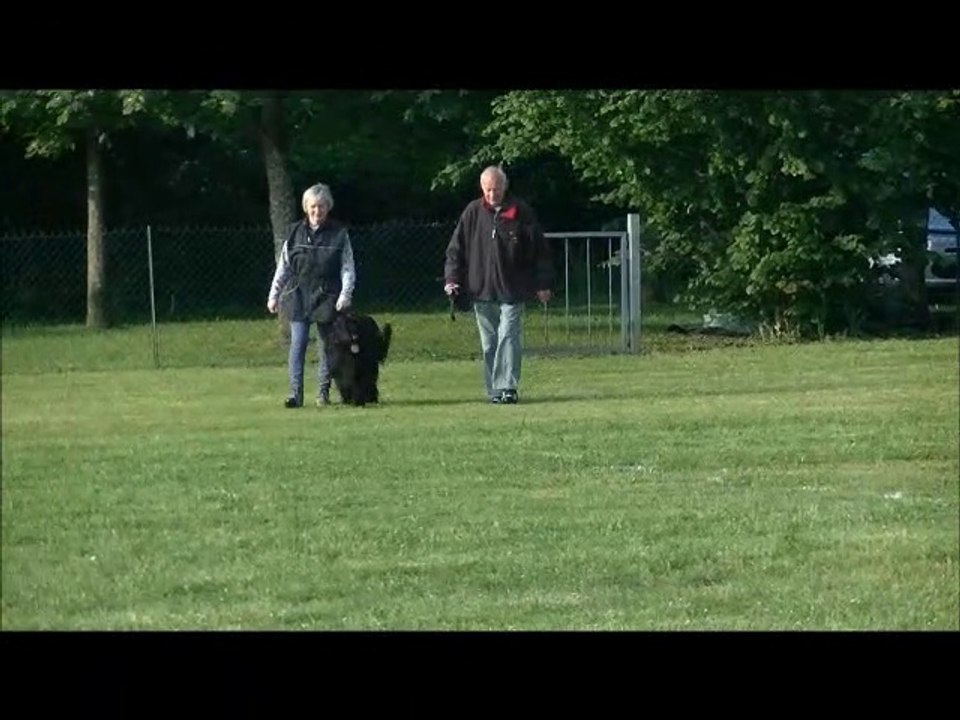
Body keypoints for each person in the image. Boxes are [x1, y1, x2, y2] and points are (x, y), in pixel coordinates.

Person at [443, 165, 554, 404]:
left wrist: (543, 283)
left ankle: (508, 387)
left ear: (505, 186)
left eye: (497, 189)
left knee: (509, 336)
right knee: (489, 343)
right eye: (488, 189)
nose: (493, 194)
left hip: (513, 289)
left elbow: (539, 252)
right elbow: (456, 249)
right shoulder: (472, 212)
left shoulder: (521, 212)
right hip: (481, 289)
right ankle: (494, 389)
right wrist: (452, 280)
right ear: (482, 188)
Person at [267, 182, 355, 408]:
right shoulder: (294, 232)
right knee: (298, 344)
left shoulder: (339, 234)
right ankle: (295, 395)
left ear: (328, 207)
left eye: (322, 206)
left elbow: (347, 267)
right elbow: (284, 267)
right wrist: (274, 295)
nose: (317, 211)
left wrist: (345, 294)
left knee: (327, 346)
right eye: (313, 206)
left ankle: (323, 394)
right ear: (306, 207)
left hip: (328, 296)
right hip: (299, 295)